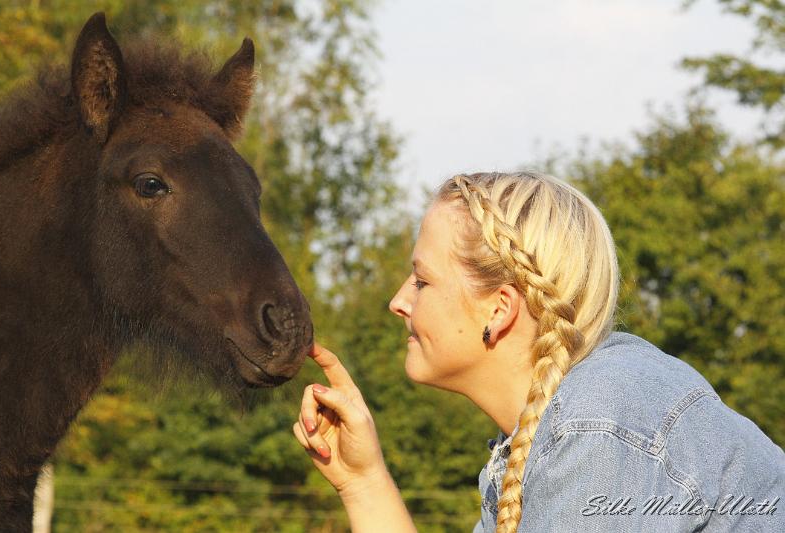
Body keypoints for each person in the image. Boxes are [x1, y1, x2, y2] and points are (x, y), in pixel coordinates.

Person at [291, 171, 785, 532]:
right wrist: (363, 480)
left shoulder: (596, 425)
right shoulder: (541, 439)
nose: (398, 301)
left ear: (499, 310)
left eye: (422, 281)